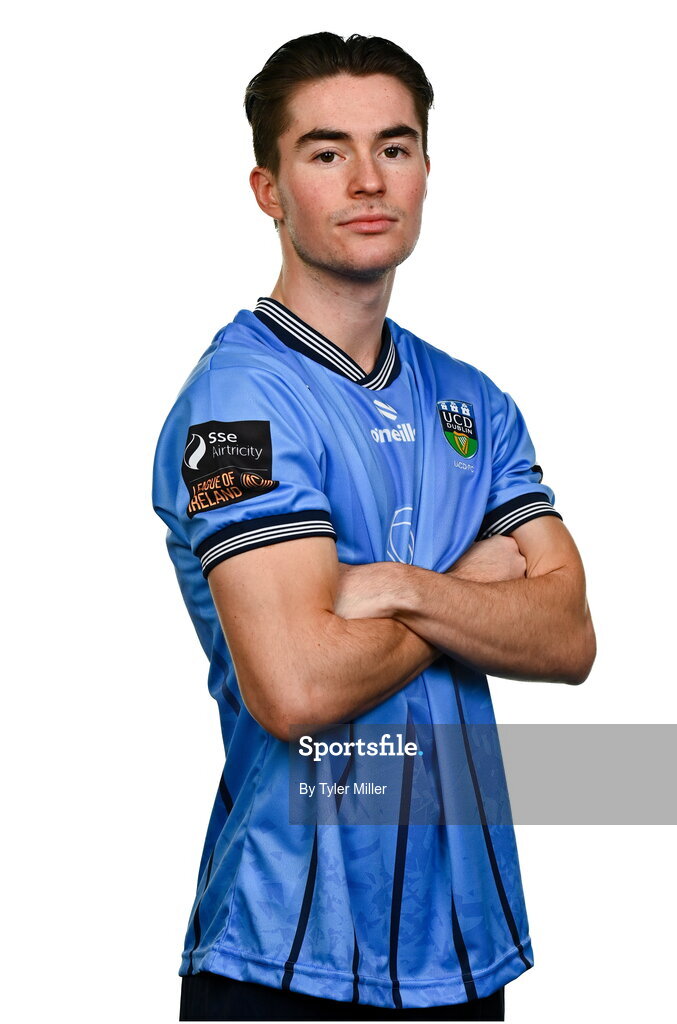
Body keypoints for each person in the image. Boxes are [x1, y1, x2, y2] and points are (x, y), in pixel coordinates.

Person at [152, 32, 596, 1022]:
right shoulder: (236, 408)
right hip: (284, 960)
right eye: (324, 152)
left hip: (461, 953)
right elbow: (298, 683)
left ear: (425, 173)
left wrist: (397, 583)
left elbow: (567, 635)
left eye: (393, 148)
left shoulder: (472, 403)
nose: (365, 179)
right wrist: (478, 586)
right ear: (268, 189)